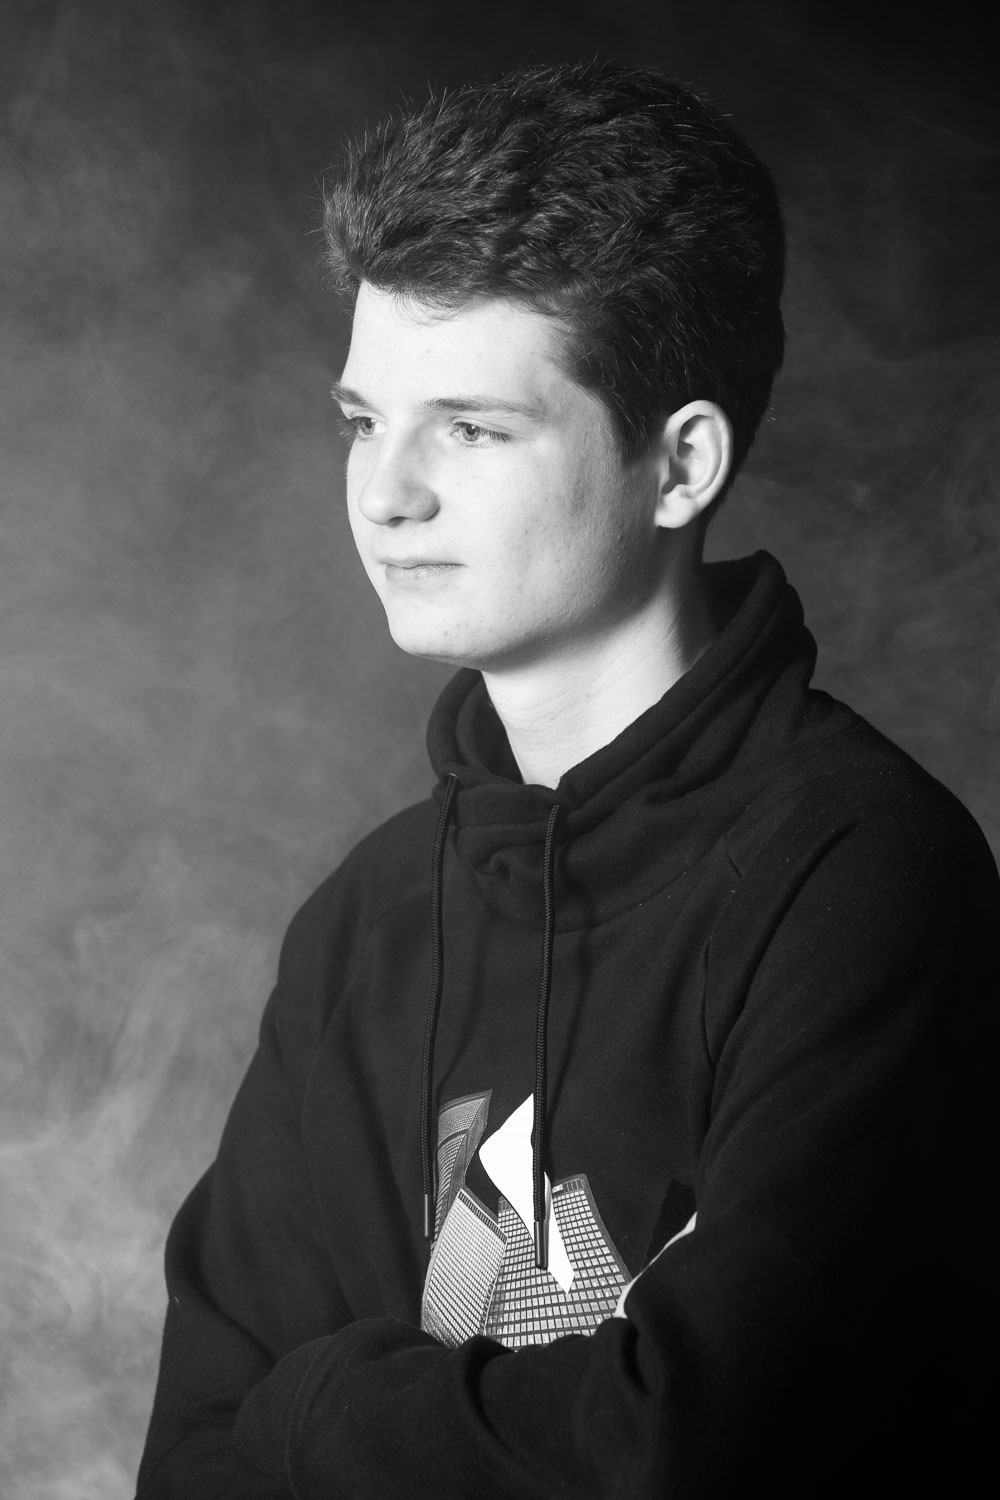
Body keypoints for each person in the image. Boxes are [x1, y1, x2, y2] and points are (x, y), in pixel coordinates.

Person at [136, 60, 997, 1499]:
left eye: (473, 428)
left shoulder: (863, 883)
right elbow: (196, 1466)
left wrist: (322, 1404)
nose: (386, 494)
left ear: (680, 466)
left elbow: (694, 1452)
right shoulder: (364, 925)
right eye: (364, 421)